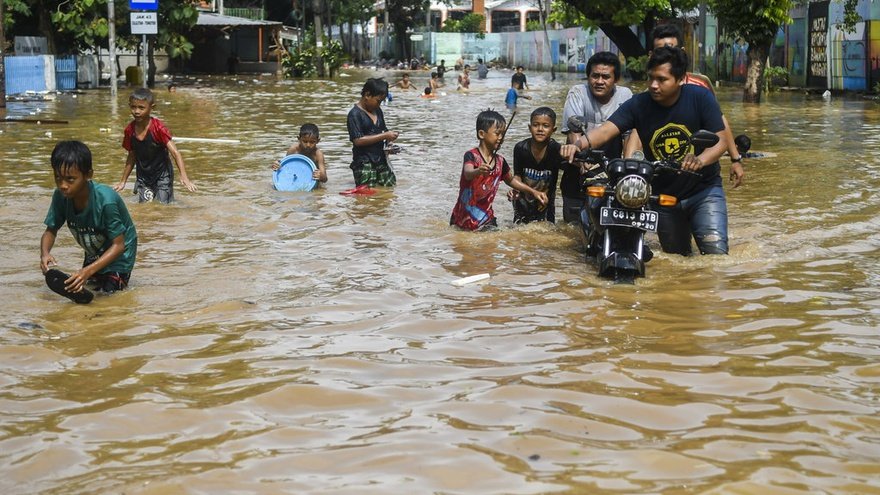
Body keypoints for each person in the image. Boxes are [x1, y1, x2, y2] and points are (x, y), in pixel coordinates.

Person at [564, 46, 729, 256]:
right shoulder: (640, 104)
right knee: (677, 260)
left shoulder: (701, 97)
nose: (653, 85)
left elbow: (721, 140)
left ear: (680, 79)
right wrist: (577, 145)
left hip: (704, 191)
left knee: (715, 257)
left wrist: (700, 159)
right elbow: (606, 131)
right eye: (650, 78)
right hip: (663, 195)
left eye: (662, 79)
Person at [626, 24, 745, 188]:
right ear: (651, 55)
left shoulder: (701, 87)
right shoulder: (650, 93)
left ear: (681, 51)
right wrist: (629, 169)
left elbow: (720, 123)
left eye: (672, 49)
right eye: (660, 51)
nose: (667, 55)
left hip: (701, 174)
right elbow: (637, 132)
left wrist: (735, 159)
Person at [41, 140, 138, 294]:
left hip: (120, 254)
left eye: (70, 179)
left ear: (88, 175)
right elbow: (51, 230)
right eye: (58, 178)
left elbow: (119, 245)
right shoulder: (61, 196)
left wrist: (86, 271)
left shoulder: (106, 201)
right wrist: (45, 253)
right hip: (94, 250)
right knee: (88, 290)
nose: (63, 185)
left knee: (109, 296)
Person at [560, 51, 634, 223]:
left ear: (616, 79)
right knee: (572, 230)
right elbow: (574, 134)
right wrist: (581, 160)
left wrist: (628, 168)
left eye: (605, 77)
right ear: (588, 77)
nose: (599, 81)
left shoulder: (625, 96)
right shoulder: (577, 93)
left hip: (612, 170)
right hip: (578, 166)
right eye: (595, 76)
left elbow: (629, 136)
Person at [450, 109, 548, 231]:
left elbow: (511, 181)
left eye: (503, 134)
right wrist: (478, 171)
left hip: (487, 219)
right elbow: (468, 173)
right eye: (497, 133)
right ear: (482, 134)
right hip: (462, 218)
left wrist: (533, 192)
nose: (501, 138)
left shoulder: (500, 162)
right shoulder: (471, 156)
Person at [114, 88, 196, 203]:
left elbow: (175, 153)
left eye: (141, 108)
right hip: (143, 176)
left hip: (163, 174)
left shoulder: (158, 128)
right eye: (133, 107)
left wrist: (184, 177)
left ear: (152, 108)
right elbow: (131, 156)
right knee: (146, 207)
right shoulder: (129, 130)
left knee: (162, 205)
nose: (136, 111)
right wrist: (123, 181)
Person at [509, 107, 577, 224]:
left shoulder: (556, 150)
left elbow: (572, 170)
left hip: (545, 205)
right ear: (530, 128)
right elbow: (517, 175)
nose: (540, 129)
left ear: (553, 129)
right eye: (536, 125)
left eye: (546, 126)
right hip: (523, 202)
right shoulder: (520, 148)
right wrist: (515, 188)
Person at [346, 78, 400, 187]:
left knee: (389, 191)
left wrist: (389, 144)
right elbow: (358, 141)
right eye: (378, 101)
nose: (379, 105)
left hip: (381, 160)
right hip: (364, 162)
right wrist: (385, 135)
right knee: (366, 197)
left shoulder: (378, 111)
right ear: (367, 95)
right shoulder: (354, 114)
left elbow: (383, 131)